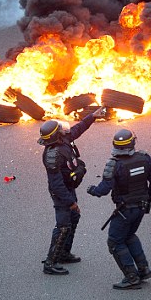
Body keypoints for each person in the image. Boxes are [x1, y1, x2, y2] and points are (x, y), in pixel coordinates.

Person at [86, 129, 151, 289]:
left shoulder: (114, 164)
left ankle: (131, 277)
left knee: (114, 242)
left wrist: (92, 190)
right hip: (141, 207)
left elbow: (104, 189)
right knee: (129, 235)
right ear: (132, 143)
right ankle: (143, 269)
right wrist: (147, 195)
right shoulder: (144, 158)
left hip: (124, 210)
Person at [37, 107, 104, 275]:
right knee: (63, 226)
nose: (64, 130)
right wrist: (70, 202)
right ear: (56, 136)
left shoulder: (63, 139)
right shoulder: (52, 155)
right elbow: (56, 185)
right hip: (61, 194)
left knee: (74, 217)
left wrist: (92, 116)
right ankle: (50, 263)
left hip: (69, 188)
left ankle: (64, 253)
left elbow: (77, 129)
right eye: (60, 129)